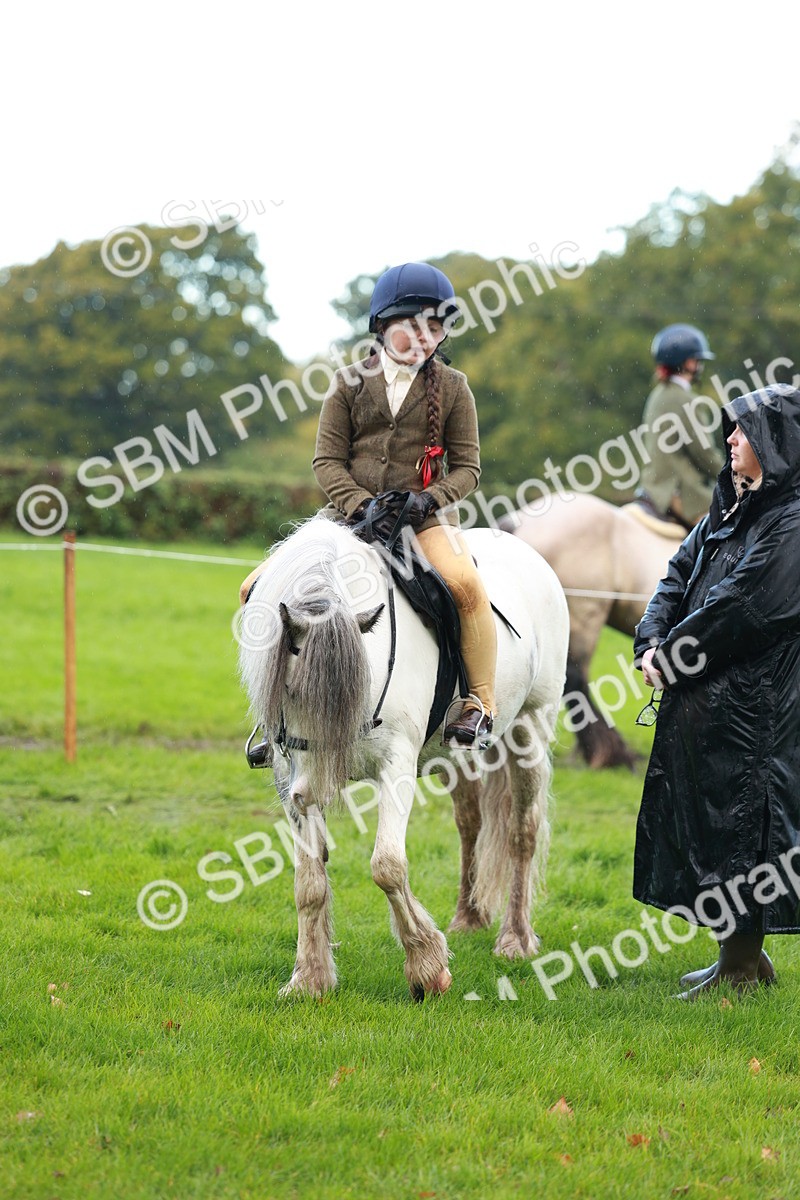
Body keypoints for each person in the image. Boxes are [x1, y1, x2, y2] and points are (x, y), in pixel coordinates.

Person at [633, 382, 800, 999]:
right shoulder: (731, 503)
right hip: (714, 703)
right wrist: (651, 637)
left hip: (760, 710)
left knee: (746, 826)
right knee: (714, 824)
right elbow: (679, 572)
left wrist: (670, 658)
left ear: (774, 443)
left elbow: (743, 607)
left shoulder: (792, 521)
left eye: (743, 430)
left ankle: (740, 967)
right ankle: (741, 958)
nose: (730, 439)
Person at [312, 261, 497, 746]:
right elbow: (326, 461)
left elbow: (468, 469)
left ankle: (479, 703)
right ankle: (276, 714)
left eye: (434, 329)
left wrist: (427, 500)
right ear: (381, 325)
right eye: (412, 327)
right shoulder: (346, 382)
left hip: (424, 521)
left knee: (466, 586)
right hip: (348, 518)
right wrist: (360, 505)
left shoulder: (454, 388)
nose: (424, 338)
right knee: (256, 588)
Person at [636, 324, 724, 530]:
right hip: (681, 490)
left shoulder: (657, 394)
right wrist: (731, 475)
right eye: (697, 360)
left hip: (653, 485)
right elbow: (704, 454)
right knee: (729, 529)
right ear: (687, 362)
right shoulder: (686, 400)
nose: (699, 365)